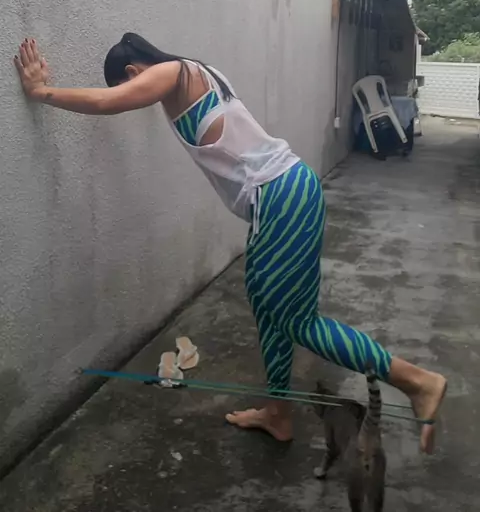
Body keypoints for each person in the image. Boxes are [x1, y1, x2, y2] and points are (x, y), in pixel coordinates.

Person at [13, 33, 447, 453]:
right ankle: (277, 413)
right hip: (285, 194)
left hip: (279, 196)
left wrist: (41, 91)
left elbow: (109, 102)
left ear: (133, 72)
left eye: (128, 84)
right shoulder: (200, 75)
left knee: (298, 322)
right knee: (269, 307)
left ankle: (416, 381)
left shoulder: (173, 72)